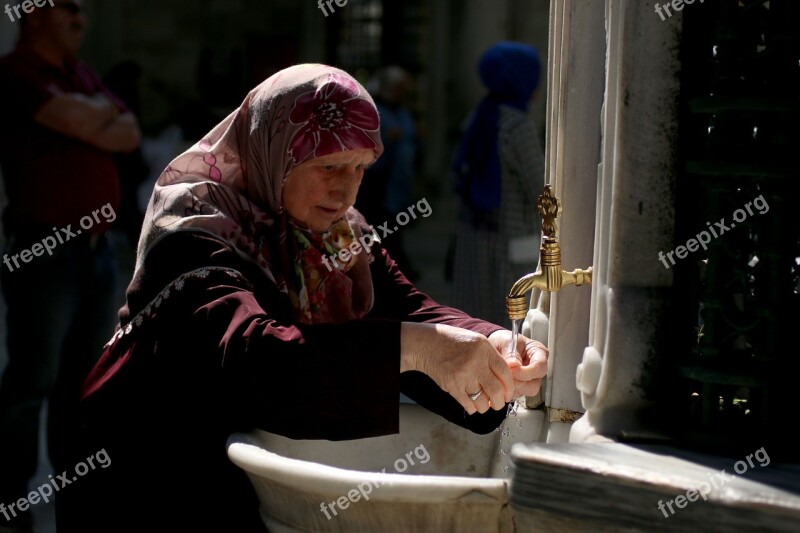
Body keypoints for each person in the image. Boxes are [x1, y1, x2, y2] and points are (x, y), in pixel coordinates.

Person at [56, 64, 548, 532]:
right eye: (329, 165)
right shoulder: (195, 231)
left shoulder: (336, 237)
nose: (345, 191)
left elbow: (407, 308)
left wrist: (492, 342)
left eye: (360, 168)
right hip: (146, 466)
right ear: (275, 151)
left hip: (238, 462)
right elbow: (253, 356)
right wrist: (418, 348)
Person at [0, 1, 141, 531]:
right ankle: (12, 505)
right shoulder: (14, 73)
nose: (81, 19)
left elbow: (127, 130)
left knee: (81, 386)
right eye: (69, 9)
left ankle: (74, 504)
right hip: (44, 252)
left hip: (95, 252)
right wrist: (92, 116)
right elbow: (82, 119)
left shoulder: (78, 73)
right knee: (32, 380)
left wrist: (90, 116)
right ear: (34, 14)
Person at [450, 41, 546, 327]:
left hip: (473, 238)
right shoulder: (518, 127)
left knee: (474, 324)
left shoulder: (478, 117)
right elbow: (541, 191)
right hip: (510, 246)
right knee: (508, 329)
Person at [357, 65, 421, 280]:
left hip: (399, 183)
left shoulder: (402, 111)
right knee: (384, 229)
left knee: (394, 228)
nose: (402, 92)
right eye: (398, 88)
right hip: (378, 185)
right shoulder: (375, 111)